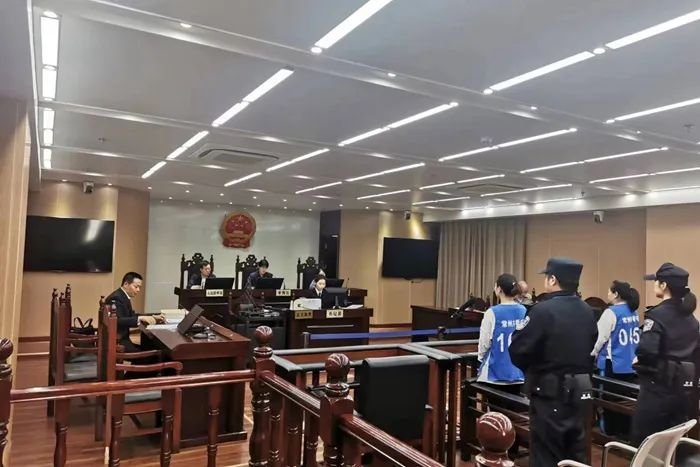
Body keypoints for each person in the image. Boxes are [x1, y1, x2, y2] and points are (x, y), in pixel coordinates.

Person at [509, 257, 598, 466]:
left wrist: (534, 369)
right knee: (575, 453)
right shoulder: (587, 311)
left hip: (549, 395)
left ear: (553, 279)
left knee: (546, 455)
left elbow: (518, 350)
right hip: (580, 394)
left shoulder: (542, 310)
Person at [632, 263, 699, 448]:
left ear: (663, 285)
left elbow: (647, 351)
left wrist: (638, 360)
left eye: (656, 281)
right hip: (683, 393)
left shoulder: (657, 315)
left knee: (646, 443)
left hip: (657, 391)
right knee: (672, 446)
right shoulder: (692, 320)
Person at [591, 280, 640, 440]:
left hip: (612, 365)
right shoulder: (633, 311)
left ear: (616, 294)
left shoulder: (611, 312)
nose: (607, 294)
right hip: (630, 364)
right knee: (625, 401)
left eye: (609, 291)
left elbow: (599, 338)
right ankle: (625, 433)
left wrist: (591, 355)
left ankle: (609, 433)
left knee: (608, 402)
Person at [477, 273, 526, 388]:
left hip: (495, 372)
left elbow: (484, 343)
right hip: (519, 373)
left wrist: (481, 358)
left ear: (499, 289)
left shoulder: (492, 312)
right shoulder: (524, 310)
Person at [105, 272, 164, 353]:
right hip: (118, 342)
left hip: (121, 339)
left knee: (150, 348)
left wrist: (152, 316)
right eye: (136, 287)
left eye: (139, 287)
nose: (138, 290)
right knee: (155, 352)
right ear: (126, 284)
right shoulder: (117, 298)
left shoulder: (122, 295)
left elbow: (131, 315)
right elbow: (117, 320)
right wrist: (140, 318)